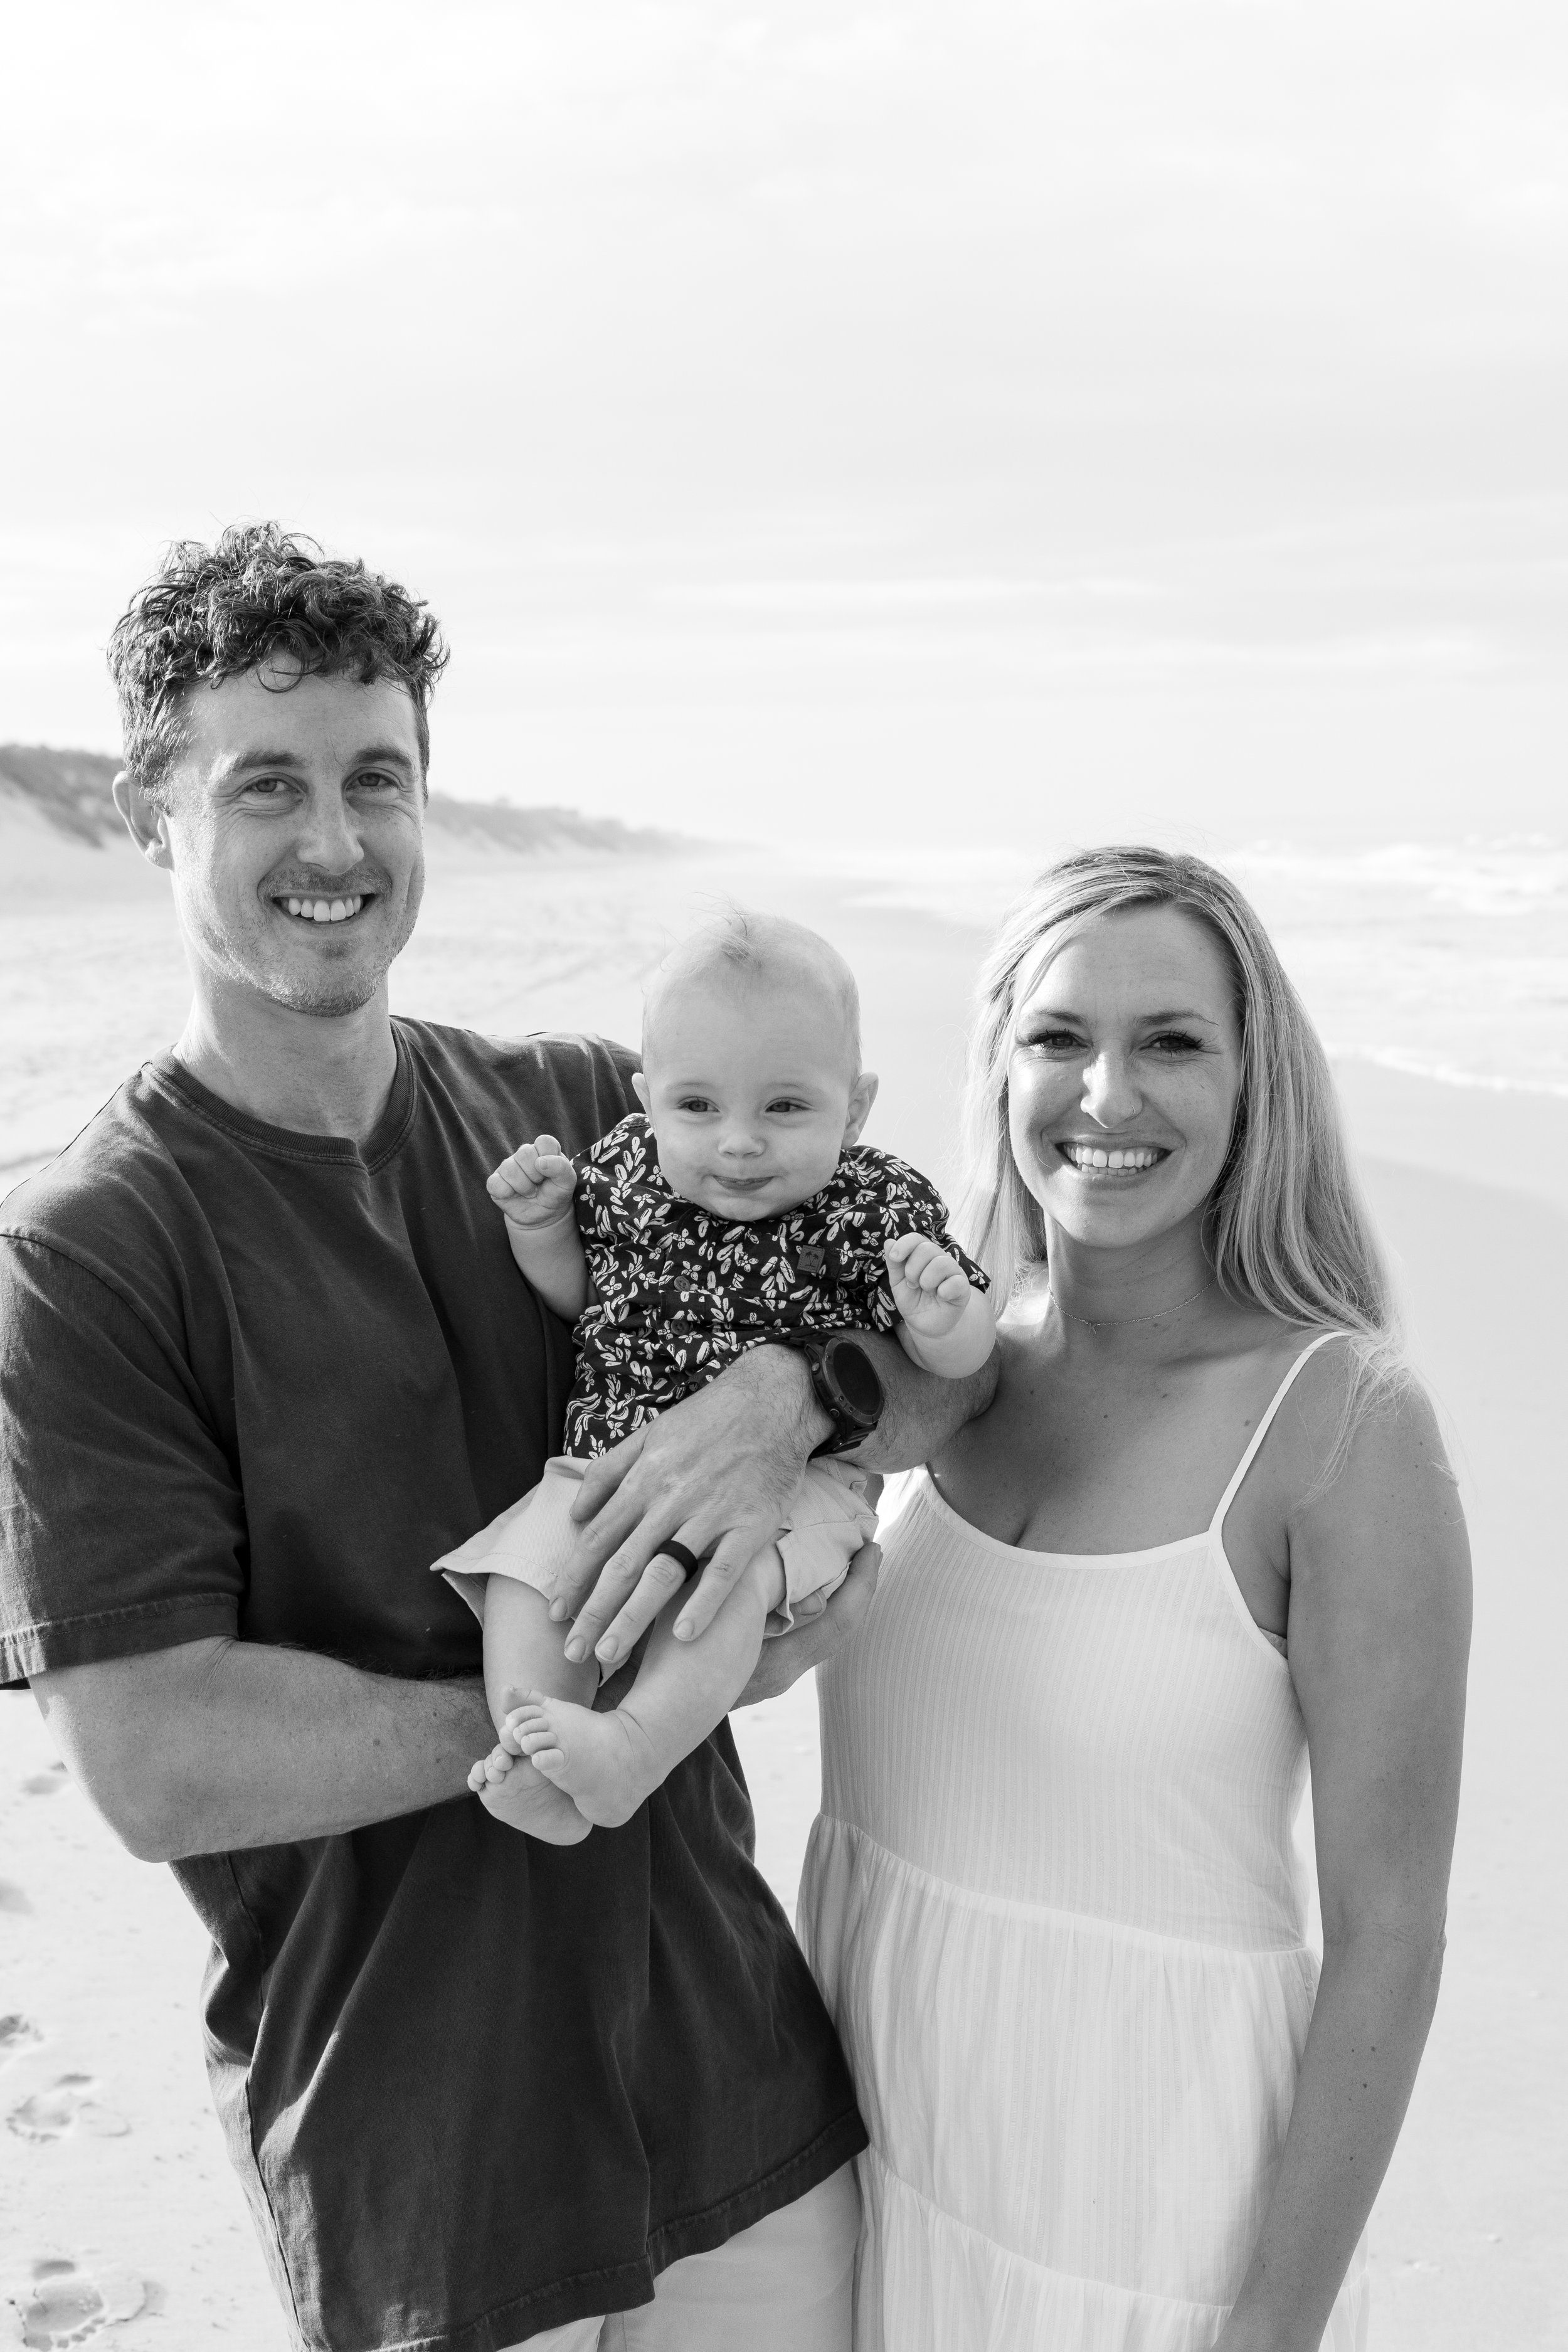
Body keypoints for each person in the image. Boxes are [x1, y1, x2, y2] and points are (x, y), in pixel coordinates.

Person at [0, 524, 995, 2352]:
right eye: (264, 787)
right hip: (424, 2158)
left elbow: (943, 1367)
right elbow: (153, 1754)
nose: (334, 842)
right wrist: (597, 1716)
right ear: (149, 815)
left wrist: (785, 1397)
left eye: (377, 779)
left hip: (734, 2073)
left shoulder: (577, 1106)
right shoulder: (87, 1249)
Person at [800, 847, 1471, 2351]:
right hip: (872, 2169)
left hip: (1146, 2228)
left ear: (1253, 1085)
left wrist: (1268, 2333)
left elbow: (1390, 1940)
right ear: (996, 1066)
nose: (1105, 1096)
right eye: (1058, 1038)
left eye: (1169, 1041)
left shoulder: (1338, 1424)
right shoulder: (931, 1373)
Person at [440, 910, 994, 1842]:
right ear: (647, 1098)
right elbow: (588, 1297)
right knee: (527, 1575)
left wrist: (945, 1316)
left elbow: (963, 1363)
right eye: (698, 1107)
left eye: (785, 1108)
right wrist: (541, 1228)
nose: (738, 1142)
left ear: (853, 1109)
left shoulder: (871, 1205)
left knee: (727, 1580)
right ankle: (537, 1747)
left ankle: (635, 1748)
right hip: (611, 1468)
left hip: (795, 1490)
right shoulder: (623, 1173)